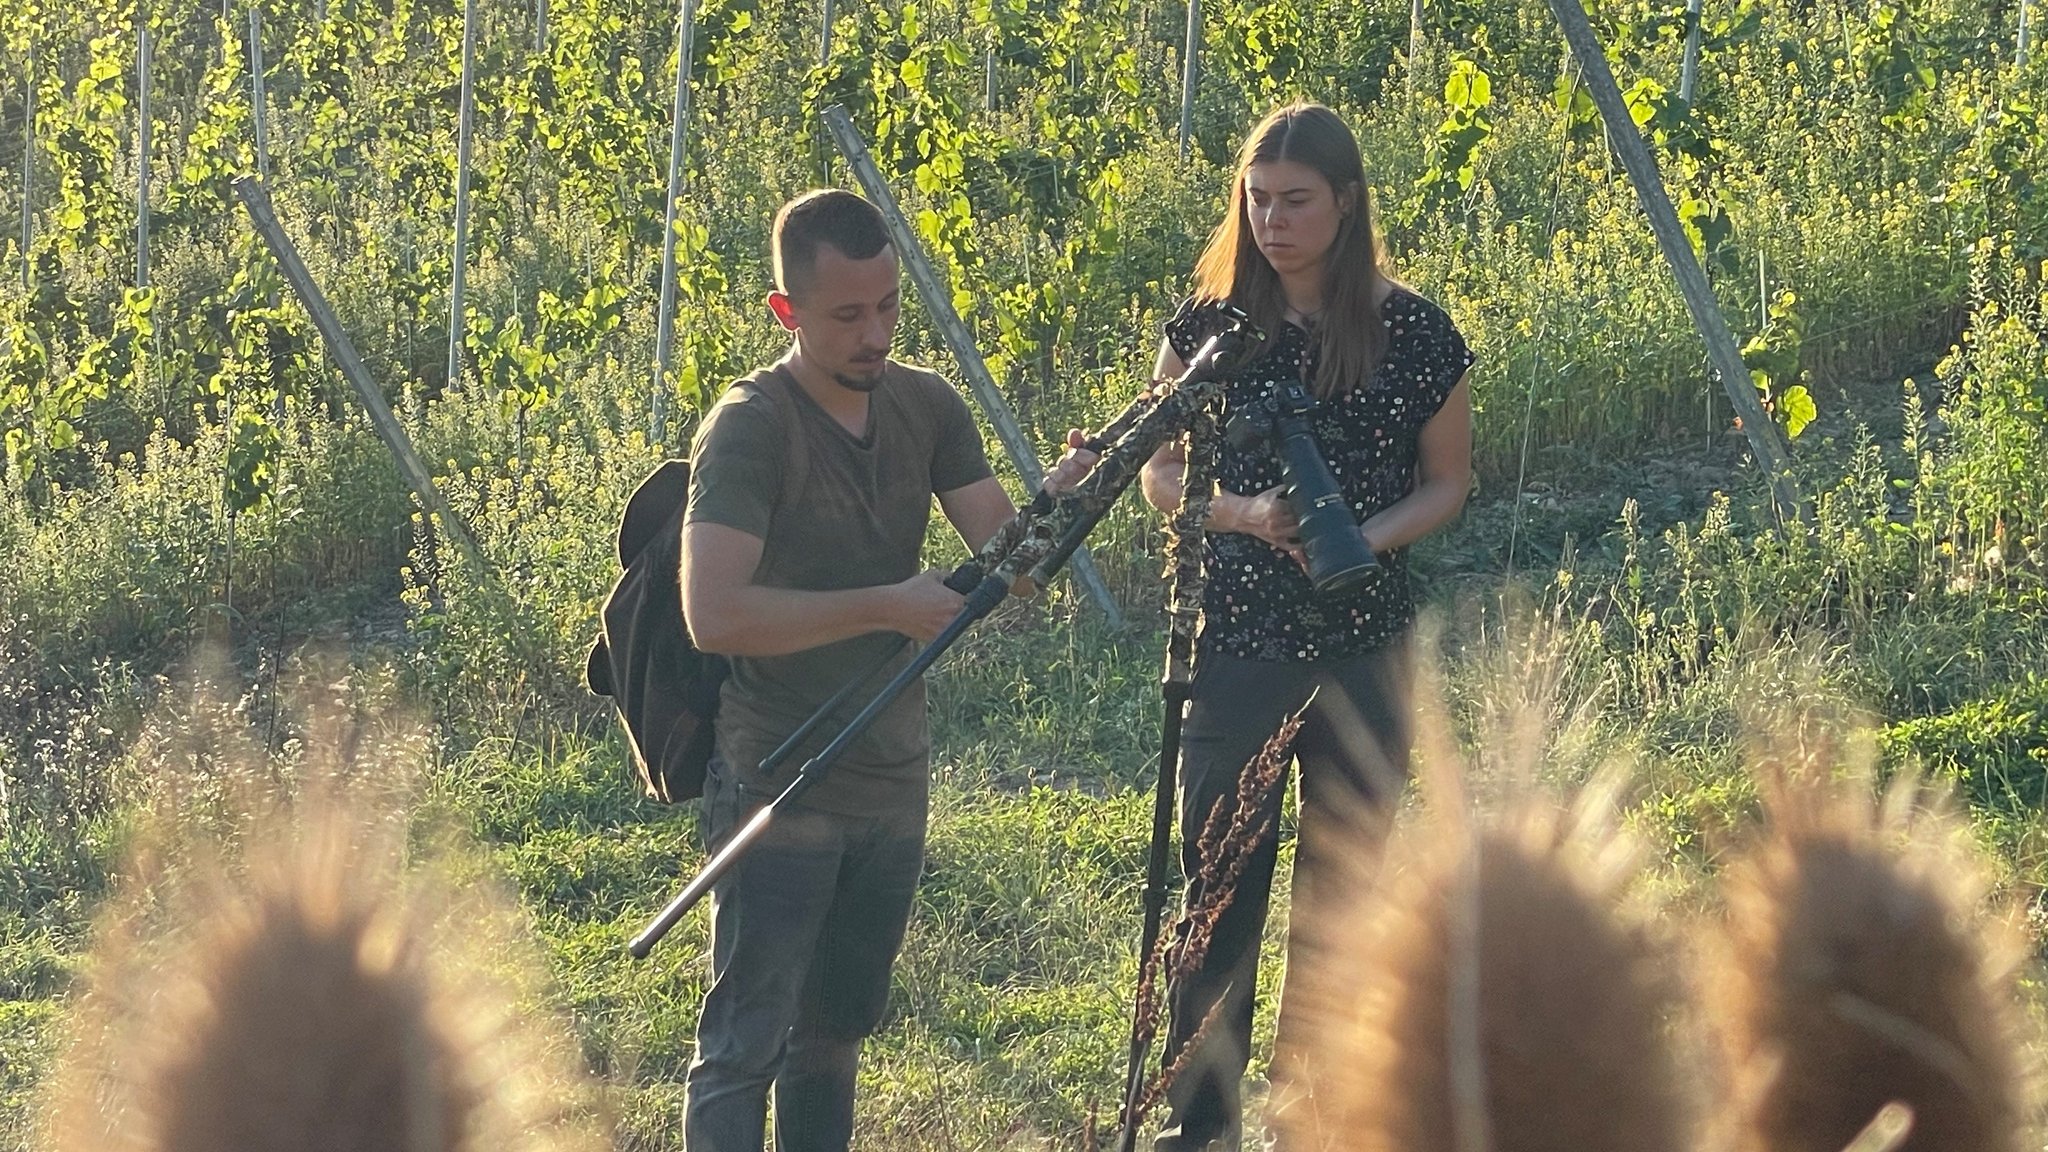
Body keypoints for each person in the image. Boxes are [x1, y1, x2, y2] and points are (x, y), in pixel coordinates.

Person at [677, 188, 1087, 1152]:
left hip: (893, 778)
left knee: (833, 1036)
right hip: (780, 775)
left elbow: (1009, 565)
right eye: (847, 315)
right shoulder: (751, 427)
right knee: (744, 1044)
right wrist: (884, 605)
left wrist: (1062, 503)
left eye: (889, 307)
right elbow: (713, 612)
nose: (875, 334)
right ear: (787, 312)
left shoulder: (925, 405)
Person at [1138, 102, 1476, 1151]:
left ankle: (1321, 1114)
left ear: (1345, 203)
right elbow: (1155, 468)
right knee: (1219, 879)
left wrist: (1357, 539)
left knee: (1348, 884)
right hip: (1238, 638)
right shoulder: (1204, 334)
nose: (1272, 220)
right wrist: (1244, 514)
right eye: (1258, 199)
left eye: (1295, 201)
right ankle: (1201, 1124)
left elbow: (1447, 484)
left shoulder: (1414, 331)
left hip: (1364, 639)